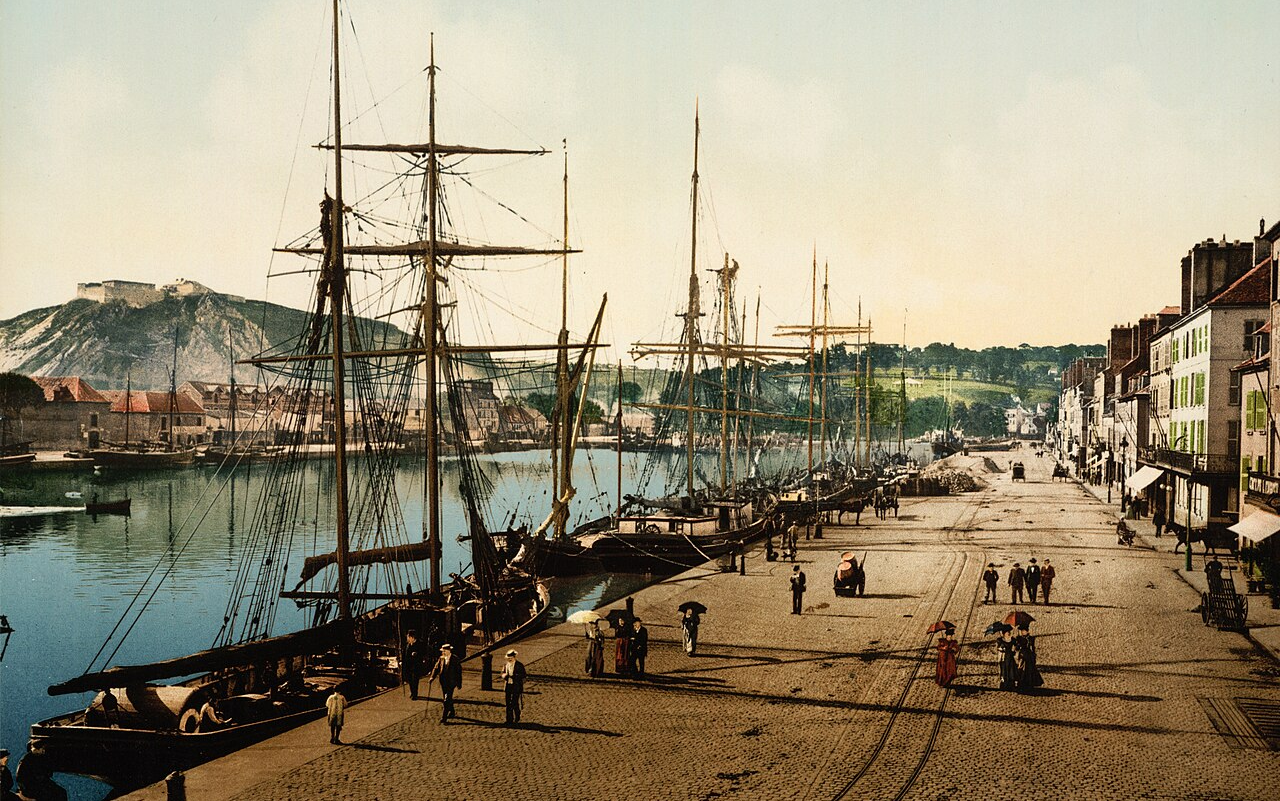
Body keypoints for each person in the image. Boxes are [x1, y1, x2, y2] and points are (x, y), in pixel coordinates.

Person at [428, 643, 463, 723]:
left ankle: (444, 717)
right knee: (447, 698)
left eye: (444, 651)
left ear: (448, 651)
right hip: (443, 681)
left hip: (452, 682)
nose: (443, 652)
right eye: (442, 651)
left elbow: (458, 672)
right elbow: (436, 668)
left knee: (446, 699)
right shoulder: (441, 659)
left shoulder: (455, 659)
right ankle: (452, 711)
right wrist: (432, 677)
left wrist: (459, 683)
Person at [1013, 625, 1043, 690]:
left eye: (1023, 631)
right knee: (1021, 668)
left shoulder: (1031, 638)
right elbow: (1017, 648)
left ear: (1027, 631)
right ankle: (1021, 683)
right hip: (1022, 655)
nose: (1022, 632)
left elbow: (1032, 647)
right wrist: (1018, 643)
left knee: (1030, 669)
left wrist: (1034, 655)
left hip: (1029, 655)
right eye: (1021, 631)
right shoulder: (1019, 638)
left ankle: (1030, 683)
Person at [501, 649, 526, 725]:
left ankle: (517, 715)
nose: (509, 659)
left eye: (511, 658)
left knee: (514, 702)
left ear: (514, 657)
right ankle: (509, 719)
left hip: (516, 686)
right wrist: (504, 676)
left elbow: (524, 676)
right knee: (508, 703)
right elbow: (502, 673)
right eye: (508, 658)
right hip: (508, 685)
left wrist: (515, 676)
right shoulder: (506, 665)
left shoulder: (519, 665)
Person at [403, 629, 424, 700]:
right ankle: (412, 692)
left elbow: (423, 654)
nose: (407, 639)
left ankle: (415, 694)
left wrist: (416, 654)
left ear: (412, 637)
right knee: (410, 680)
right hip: (409, 666)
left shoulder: (419, 644)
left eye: (408, 637)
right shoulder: (408, 645)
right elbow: (405, 655)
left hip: (416, 666)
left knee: (415, 680)